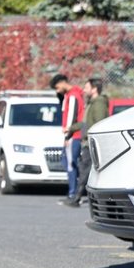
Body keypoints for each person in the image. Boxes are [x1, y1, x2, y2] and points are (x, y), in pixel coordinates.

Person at [60, 78, 109, 207]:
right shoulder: (92, 103)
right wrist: (71, 128)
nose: (84, 90)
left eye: (87, 87)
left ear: (94, 89)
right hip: (88, 142)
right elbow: (85, 123)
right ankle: (80, 197)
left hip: (92, 143)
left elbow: (99, 124)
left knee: (85, 170)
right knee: (85, 170)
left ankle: (76, 198)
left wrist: (91, 137)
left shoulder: (98, 104)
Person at [50, 73, 84, 201]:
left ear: (63, 82)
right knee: (68, 162)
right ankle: (73, 191)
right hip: (72, 135)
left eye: (57, 87)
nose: (57, 90)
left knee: (71, 164)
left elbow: (72, 116)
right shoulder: (69, 96)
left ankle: (73, 193)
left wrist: (67, 135)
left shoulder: (73, 96)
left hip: (73, 135)